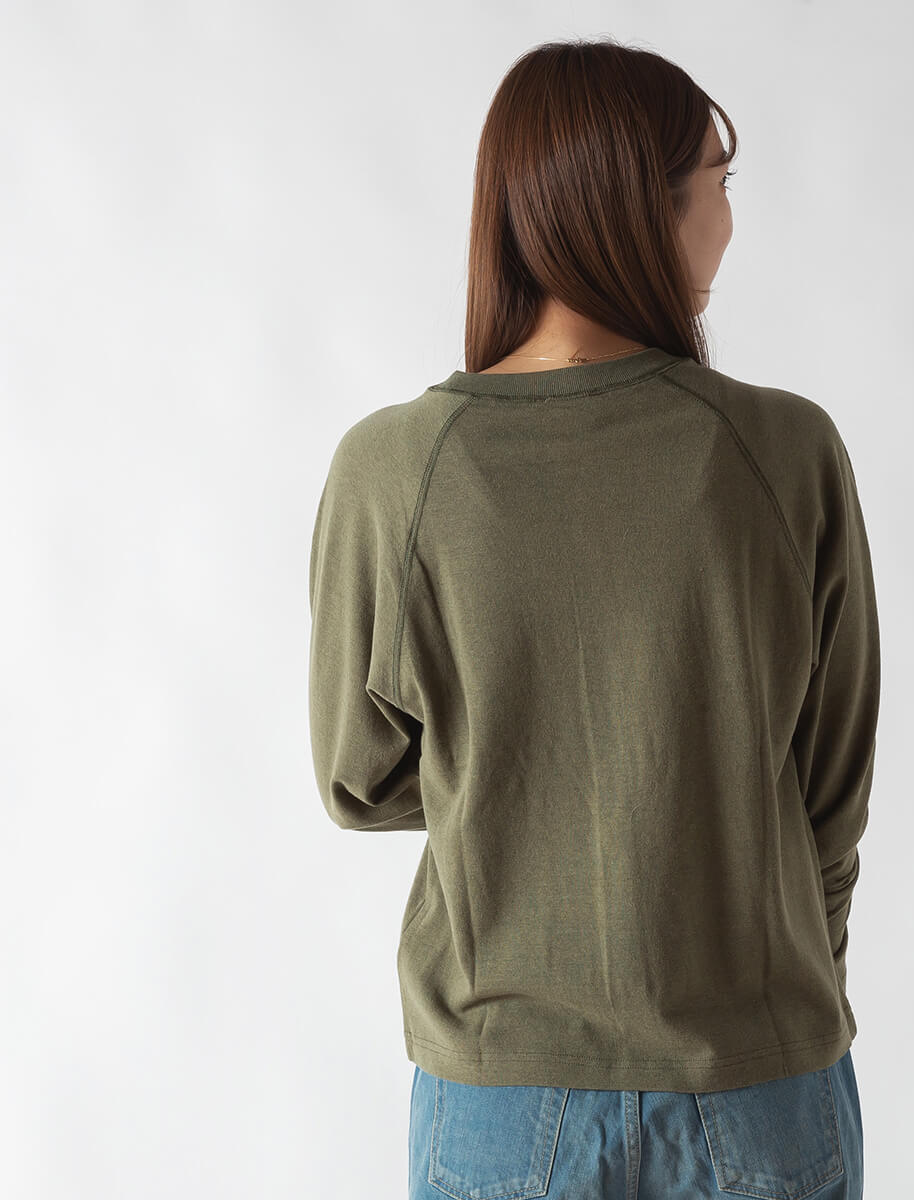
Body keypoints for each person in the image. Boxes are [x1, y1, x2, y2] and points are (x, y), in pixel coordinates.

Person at [308, 36, 880, 1200]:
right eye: (720, 183)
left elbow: (357, 777)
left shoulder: (396, 469)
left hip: (502, 1094)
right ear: (646, 208)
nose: (729, 221)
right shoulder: (784, 450)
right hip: (760, 1076)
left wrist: (522, 777)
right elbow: (830, 786)